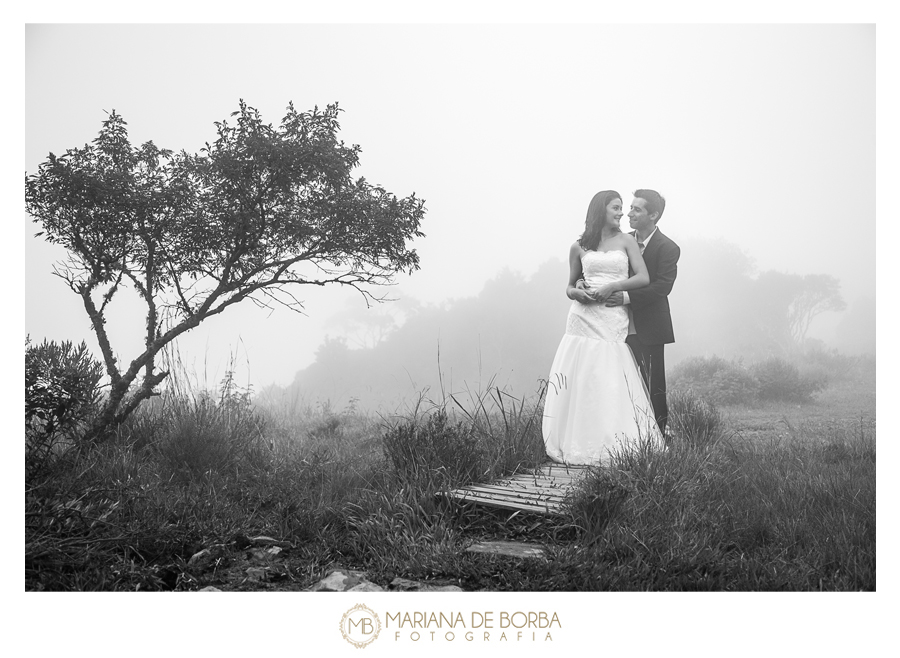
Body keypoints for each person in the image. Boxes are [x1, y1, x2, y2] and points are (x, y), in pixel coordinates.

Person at [542, 190, 664, 465]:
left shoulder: (627, 241)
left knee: (608, 375)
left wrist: (615, 286)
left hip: (611, 316)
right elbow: (570, 285)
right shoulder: (578, 246)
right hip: (582, 318)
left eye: (623, 208)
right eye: (616, 208)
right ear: (601, 210)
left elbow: (643, 277)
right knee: (582, 375)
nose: (622, 213)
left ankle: (612, 438)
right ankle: (576, 439)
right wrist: (577, 293)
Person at [598, 189, 680, 436]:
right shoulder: (622, 240)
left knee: (653, 384)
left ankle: (658, 435)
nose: (629, 213)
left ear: (653, 215)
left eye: (637, 209)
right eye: (629, 207)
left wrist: (626, 297)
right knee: (621, 382)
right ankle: (623, 434)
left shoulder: (668, 248)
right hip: (616, 325)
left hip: (651, 327)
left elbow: (662, 287)